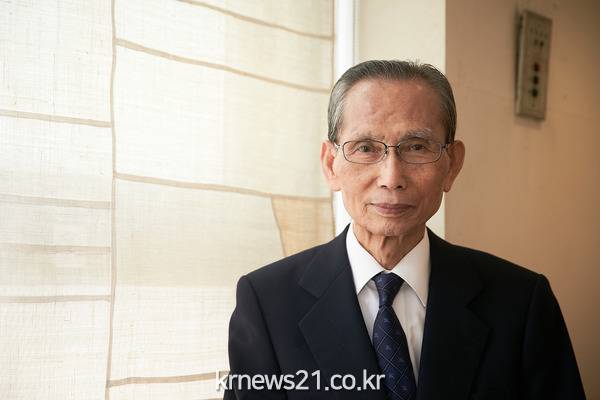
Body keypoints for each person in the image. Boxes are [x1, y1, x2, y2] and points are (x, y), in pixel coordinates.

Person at [223, 60, 585, 400]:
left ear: (452, 165)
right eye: (365, 148)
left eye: (416, 147)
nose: (392, 177)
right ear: (331, 164)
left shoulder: (521, 302)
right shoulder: (267, 303)